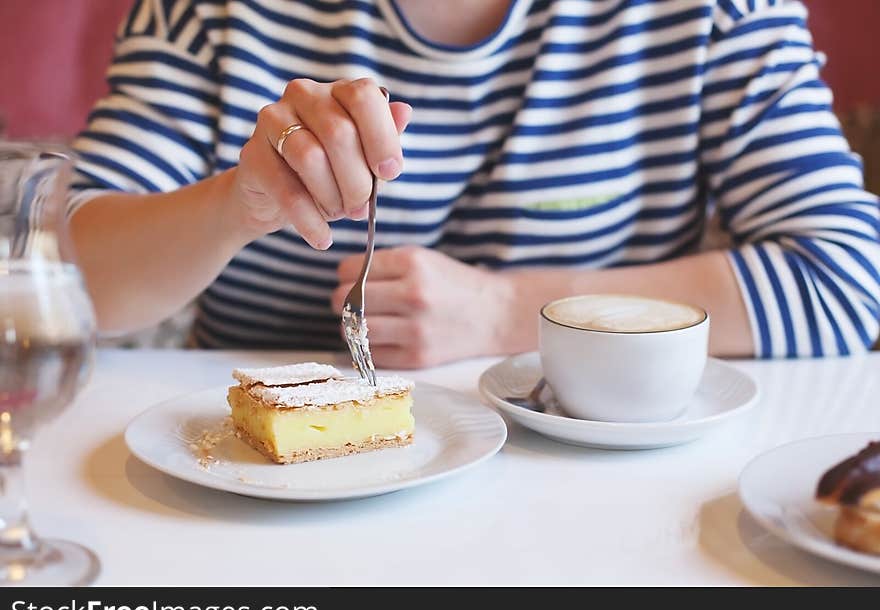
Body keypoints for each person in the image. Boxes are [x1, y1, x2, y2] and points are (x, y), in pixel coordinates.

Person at [69, 0, 880, 368]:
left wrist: (503, 312)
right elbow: (61, 278)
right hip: (249, 508)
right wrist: (234, 206)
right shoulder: (209, 14)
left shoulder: (714, 13)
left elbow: (850, 277)